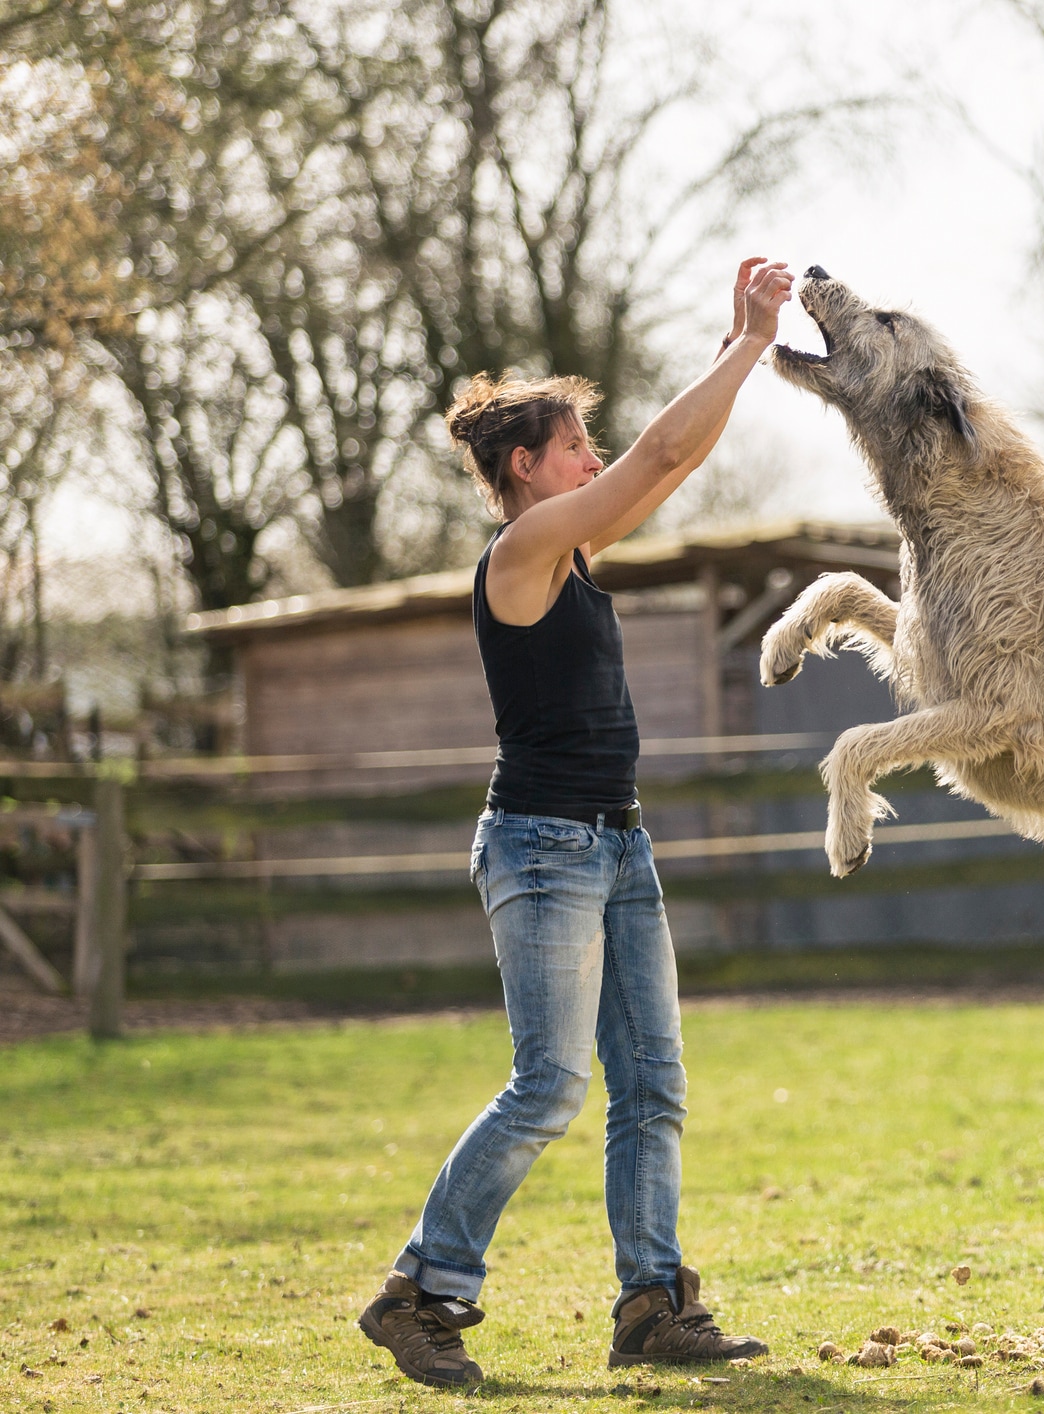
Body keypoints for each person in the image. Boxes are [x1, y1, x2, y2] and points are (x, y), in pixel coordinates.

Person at [358, 258, 795, 1389]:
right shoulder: (522, 555)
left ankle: (652, 1302)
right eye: (572, 450)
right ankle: (421, 1290)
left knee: (650, 1082)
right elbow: (655, 456)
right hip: (544, 847)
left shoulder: (572, 548)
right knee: (549, 1084)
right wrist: (748, 341)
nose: (593, 464)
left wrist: (734, 346)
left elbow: (673, 457)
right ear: (524, 467)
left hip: (617, 842)